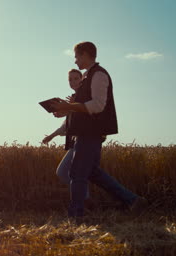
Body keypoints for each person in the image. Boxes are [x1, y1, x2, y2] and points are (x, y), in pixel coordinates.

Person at [50, 41, 148, 220]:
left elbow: (97, 106)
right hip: (86, 133)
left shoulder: (99, 75)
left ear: (86, 54)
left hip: (91, 133)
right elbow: (82, 108)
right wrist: (65, 109)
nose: (75, 60)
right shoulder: (87, 77)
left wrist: (69, 105)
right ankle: (133, 200)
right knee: (92, 172)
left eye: (77, 56)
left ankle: (76, 216)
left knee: (77, 173)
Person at [42, 69, 92, 200]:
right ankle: (84, 199)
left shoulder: (84, 97)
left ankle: (84, 199)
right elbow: (67, 125)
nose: (73, 81)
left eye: (76, 78)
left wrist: (67, 109)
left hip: (85, 139)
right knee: (70, 173)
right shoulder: (73, 99)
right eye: (70, 79)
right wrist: (51, 136)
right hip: (76, 141)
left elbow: (85, 115)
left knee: (64, 172)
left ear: (82, 80)